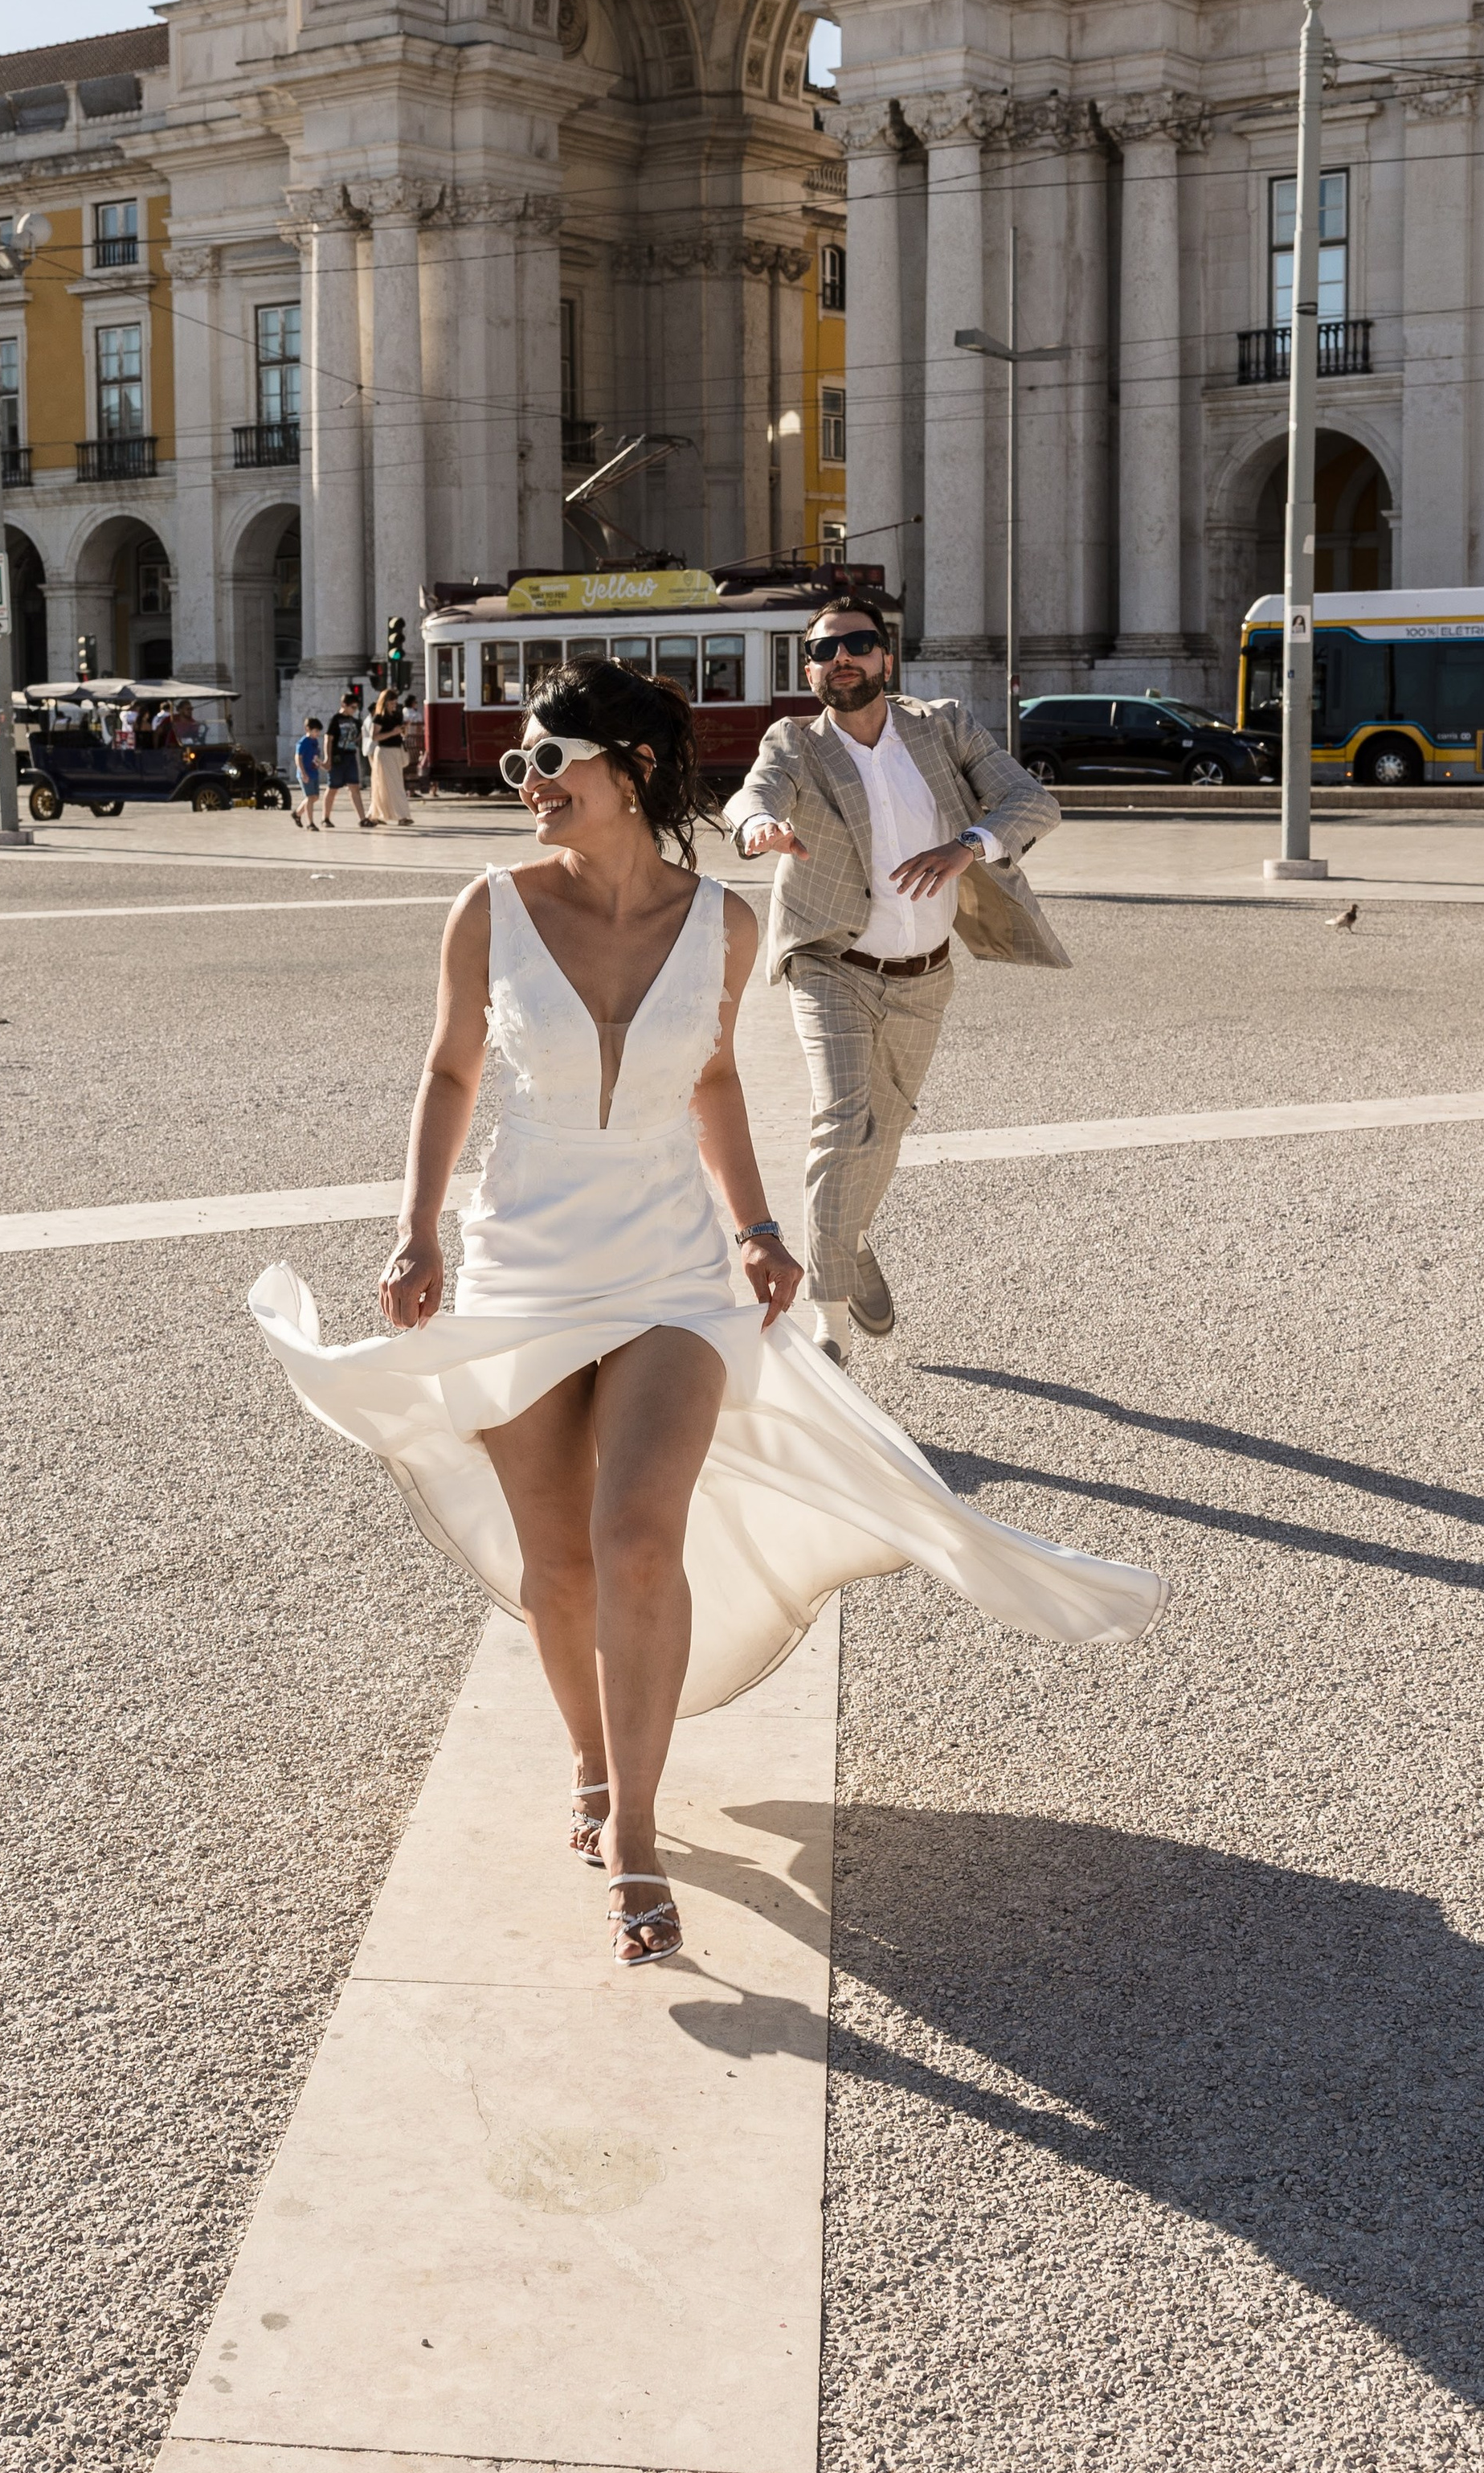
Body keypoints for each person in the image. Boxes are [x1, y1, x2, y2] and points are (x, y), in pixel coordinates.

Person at [251, 659, 1162, 1971]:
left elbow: (719, 1078)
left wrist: (756, 1226)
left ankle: (633, 1823)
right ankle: (588, 1755)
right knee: (557, 1563)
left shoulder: (723, 924)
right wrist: (413, 1232)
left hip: (671, 1275)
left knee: (634, 1539)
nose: (527, 786)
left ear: (629, 770)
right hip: (521, 1270)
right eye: (519, 765)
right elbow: (450, 1072)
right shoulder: (489, 908)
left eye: (547, 762)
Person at [726, 604, 1064, 1361]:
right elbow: (753, 796)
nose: (841, 658)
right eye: (823, 649)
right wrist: (759, 829)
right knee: (844, 1123)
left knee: (888, 1130)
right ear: (808, 667)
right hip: (829, 962)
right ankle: (831, 1325)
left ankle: (845, 1238)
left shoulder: (942, 726)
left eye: (858, 644)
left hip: (925, 974)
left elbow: (1032, 801)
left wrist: (967, 846)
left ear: (887, 658)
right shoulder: (795, 742)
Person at [325, 693, 372, 827]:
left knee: (354, 787)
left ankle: (362, 819)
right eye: (352, 707)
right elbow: (329, 739)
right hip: (338, 757)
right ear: (344, 705)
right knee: (333, 788)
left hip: (351, 756)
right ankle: (326, 818)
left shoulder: (354, 721)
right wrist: (328, 758)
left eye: (356, 707)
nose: (354, 710)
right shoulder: (336, 720)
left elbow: (356, 738)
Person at [368, 685, 412, 826]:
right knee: (392, 785)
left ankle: (376, 815)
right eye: (391, 703)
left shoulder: (398, 714)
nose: (394, 705)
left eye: (395, 702)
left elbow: (400, 733)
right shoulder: (379, 717)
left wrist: (404, 730)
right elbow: (374, 737)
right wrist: (393, 732)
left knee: (391, 784)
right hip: (385, 752)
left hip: (397, 750)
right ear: (385, 702)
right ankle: (402, 815)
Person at [292, 714, 325, 830]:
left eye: (318, 731)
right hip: (306, 773)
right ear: (308, 729)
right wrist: (303, 772)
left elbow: (315, 756)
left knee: (315, 797)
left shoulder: (315, 742)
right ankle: (310, 823)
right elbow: (298, 758)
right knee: (310, 797)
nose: (317, 734)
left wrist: (321, 764)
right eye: (315, 731)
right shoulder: (303, 742)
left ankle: (297, 814)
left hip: (313, 772)